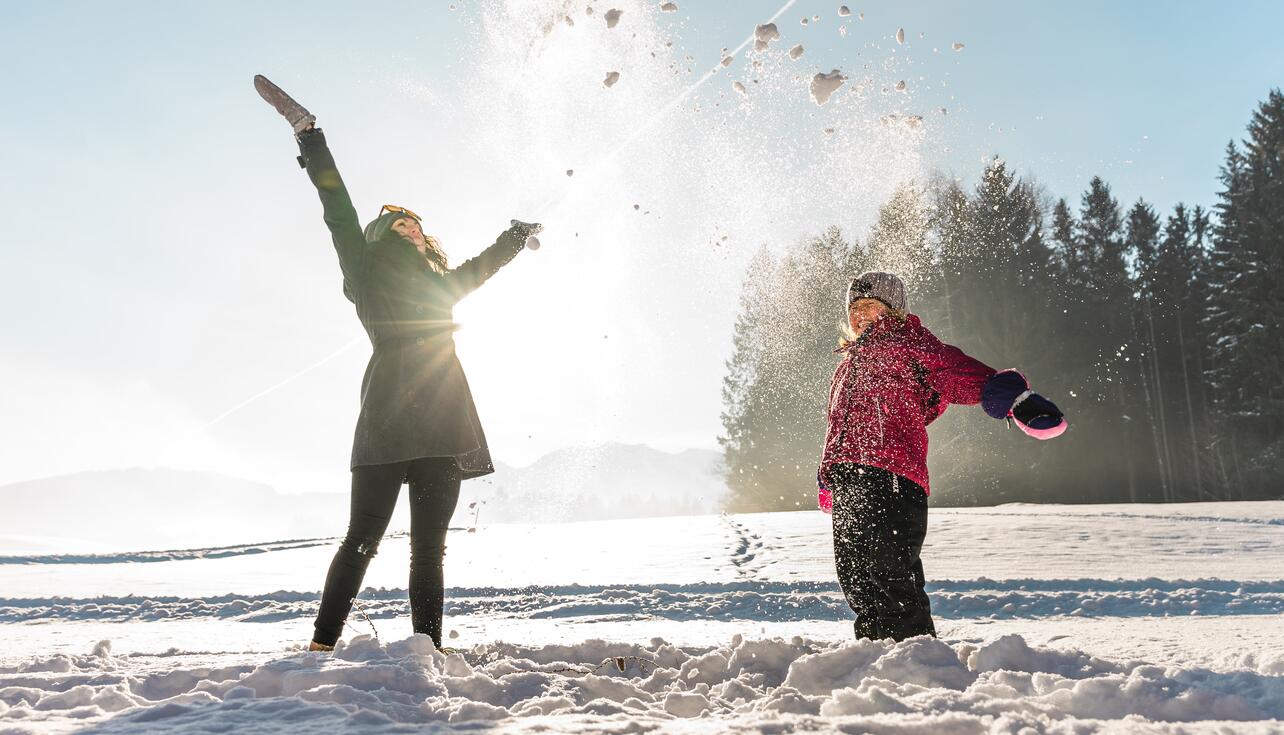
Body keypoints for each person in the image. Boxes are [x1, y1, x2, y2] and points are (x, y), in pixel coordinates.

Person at [257, 77, 541, 652]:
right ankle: (321, 645)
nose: (410, 225)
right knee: (363, 538)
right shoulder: (364, 271)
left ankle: (425, 651)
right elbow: (337, 208)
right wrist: (310, 138)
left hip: (442, 417)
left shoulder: (441, 287)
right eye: (398, 221)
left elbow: (480, 269)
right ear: (382, 234)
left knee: (429, 549)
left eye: (416, 222)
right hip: (387, 419)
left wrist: (515, 236)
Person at [817, 272, 1065, 642]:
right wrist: (829, 478)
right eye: (854, 308)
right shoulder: (846, 365)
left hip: (892, 474)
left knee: (889, 569)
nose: (860, 314)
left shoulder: (908, 342)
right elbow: (838, 426)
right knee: (854, 573)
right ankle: (871, 648)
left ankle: (913, 650)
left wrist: (1012, 398)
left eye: (870, 305)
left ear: (895, 311)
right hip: (849, 478)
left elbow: (954, 369)